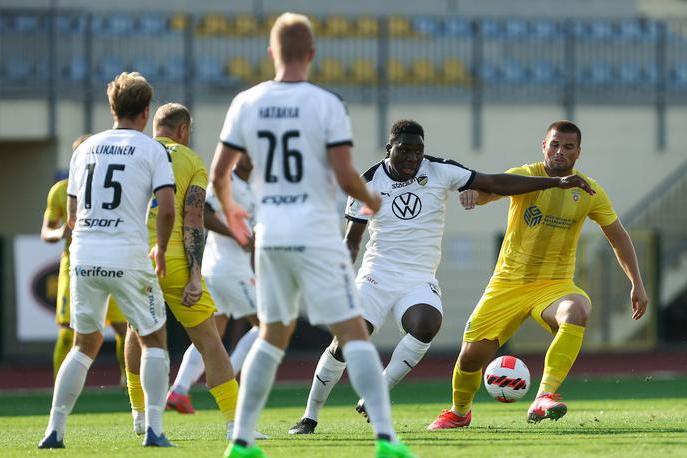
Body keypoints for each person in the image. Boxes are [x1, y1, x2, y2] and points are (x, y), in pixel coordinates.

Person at [288, 119, 595, 435]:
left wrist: (554, 183)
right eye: (405, 150)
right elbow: (352, 241)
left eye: (418, 152)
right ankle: (309, 416)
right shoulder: (368, 185)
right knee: (348, 340)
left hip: (419, 278)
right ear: (388, 149)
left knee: (427, 324)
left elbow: (495, 182)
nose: (412, 158)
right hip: (376, 277)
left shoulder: (439, 171)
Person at [212, 12, 416, 458]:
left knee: (271, 336)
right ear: (312, 55)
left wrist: (232, 212)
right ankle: (386, 440)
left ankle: (241, 443)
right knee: (352, 334)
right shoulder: (325, 103)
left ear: (271, 53)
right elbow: (345, 175)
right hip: (316, 233)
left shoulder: (246, 102)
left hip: (271, 234)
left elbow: (219, 174)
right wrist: (372, 200)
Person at [428, 120, 649, 430]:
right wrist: (473, 195)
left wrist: (637, 283)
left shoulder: (589, 191)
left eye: (568, 147)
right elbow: (490, 189)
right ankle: (459, 411)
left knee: (577, 309)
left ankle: (545, 395)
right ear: (544, 146)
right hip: (507, 283)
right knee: (470, 358)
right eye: (555, 144)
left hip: (554, 285)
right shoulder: (525, 175)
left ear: (578, 152)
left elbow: (618, 235)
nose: (560, 151)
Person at [38, 72, 176, 448]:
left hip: (84, 254)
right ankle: (155, 430)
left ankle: (54, 430)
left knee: (84, 343)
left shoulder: (84, 149)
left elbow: (71, 213)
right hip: (128, 252)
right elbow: (166, 209)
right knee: (153, 339)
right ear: (146, 111)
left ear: (111, 107)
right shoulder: (152, 150)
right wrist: (161, 249)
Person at [123, 103, 261, 440]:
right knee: (210, 340)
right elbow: (195, 218)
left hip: (134, 258)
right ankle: (234, 424)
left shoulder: (131, 151)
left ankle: (140, 414)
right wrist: (194, 274)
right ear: (183, 130)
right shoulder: (190, 160)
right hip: (176, 261)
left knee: (137, 331)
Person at [166, 152, 260, 414]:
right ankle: (230, 379)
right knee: (271, 327)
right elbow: (203, 213)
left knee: (212, 335)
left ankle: (179, 391)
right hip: (229, 271)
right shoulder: (225, 181)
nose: (251, 155)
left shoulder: (250, 187)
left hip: (222, 270)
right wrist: (236, 233)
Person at [42, 136, 128, 387]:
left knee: (124, 328)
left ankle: (127, 382)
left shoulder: (113, 187)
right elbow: (46, 230)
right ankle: (60, 386)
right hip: (75, 264)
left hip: (112, 261)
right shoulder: (61, 191)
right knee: (69, 331)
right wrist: (59, 233)